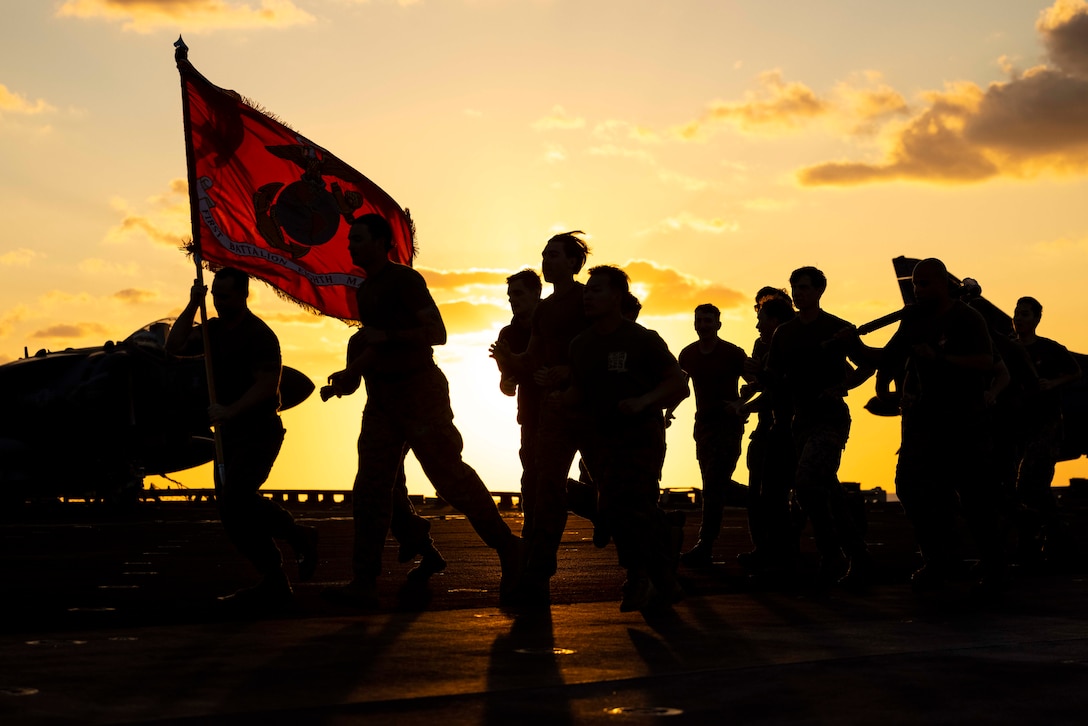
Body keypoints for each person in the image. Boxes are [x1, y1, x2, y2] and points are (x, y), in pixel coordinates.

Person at [322, 214, 521, 609]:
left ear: (381, 242)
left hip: (420, 392)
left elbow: (437, 333)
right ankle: (364, 580)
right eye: (350, 241)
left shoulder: (405, 281)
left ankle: (508, 549)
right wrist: (347, 378)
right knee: (370, 490)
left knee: (450, 479)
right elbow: (374, 344)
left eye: (358, 239)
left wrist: (388, 337)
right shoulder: (366, 290)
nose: (350, 247)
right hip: (382, 401)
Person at [165, 267, 318, 609]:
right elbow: (173, 346)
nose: (219, 302)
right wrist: (193, 304)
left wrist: (230, 411)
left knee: (238, 496)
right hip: (229, 435)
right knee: (232, 514)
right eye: (216, 296)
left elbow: (267, 385)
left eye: (226, 296)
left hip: (258, 430)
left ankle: (299, 535)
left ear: (243, 295)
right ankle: (275, 581)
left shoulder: (259, 335)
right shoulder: (212, 330)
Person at [850, 258, 1006, 591]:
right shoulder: (912, 320)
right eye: (915, 285)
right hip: (923, 424)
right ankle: (937, 560)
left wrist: (941, 359)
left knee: (975, 498)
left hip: (965, 422)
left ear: (942, 284)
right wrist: (853, 345)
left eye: (924, 284)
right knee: (909, 487)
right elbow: (887, 358)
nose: (917, 290)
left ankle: (994, 566)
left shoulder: (967, 318)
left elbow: (985, 362)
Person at [566, 265, 690, 611]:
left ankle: (641, 577)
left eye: (596, 290)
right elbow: (579, 391)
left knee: (625, 507)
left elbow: (677, 383)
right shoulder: (581, 345)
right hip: (599, 442)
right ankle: (665, 565)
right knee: (618, 509)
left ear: (617, 296)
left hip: (640, 437)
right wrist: (556, 397)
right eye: (587, 290)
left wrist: (643, 401)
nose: (588, 296)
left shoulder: (642, 339)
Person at [490, 231, 592, 606]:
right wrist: (508, 362)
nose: (547, 261)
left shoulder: (589, 298)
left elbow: (612, 338)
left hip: (594, 410)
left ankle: (655, 541)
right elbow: (531, 360)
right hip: (550, 416)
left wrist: (568, 370)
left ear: (573, 263)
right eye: (544, 255)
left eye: (554, 255)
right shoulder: (545, 312)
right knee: (544, 490)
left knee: (616, 493)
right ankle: (537, 573)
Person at [766, 266, 874, 585]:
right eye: (795, 288)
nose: (798, 293)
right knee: (827, 492)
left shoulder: (838, 328)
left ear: (819, 291)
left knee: (807, 483)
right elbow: (773, 375)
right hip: (801, 422)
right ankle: (857, 557)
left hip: (830, 419)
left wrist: (844, 385)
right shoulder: (783, 334)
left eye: (804, 288)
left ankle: (832, 554)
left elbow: (867, 363)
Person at [321, 328, 446, 580]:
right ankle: (423, 546)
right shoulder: (358, 341)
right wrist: (337, 387)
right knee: (390, 486)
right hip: (380, 423)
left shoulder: (399, 332)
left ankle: (415, 541)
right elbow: (352, 382)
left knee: (381, 487)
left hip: (410, 416)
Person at [677, 304, 749, 567]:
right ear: (695, 324)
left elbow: (756, 381)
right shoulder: (687, 355)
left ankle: (705, 545)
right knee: (714, 484)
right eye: (700, 320)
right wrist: (667, 412)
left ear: (718, 324)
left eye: (709, 320)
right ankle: (761, 501)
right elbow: (679, 386)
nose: (704, 325)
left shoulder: (733, 353)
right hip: (703, 426)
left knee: (714, 485)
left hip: (728, 426)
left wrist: (742, 403)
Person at [734, 294, 800, 575]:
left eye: (761, 318)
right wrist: (752, 387)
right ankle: (769, 549)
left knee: (790, 491)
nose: (757, 325)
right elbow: (768, 387)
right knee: (763, 493)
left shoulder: (795, 343)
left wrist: (748, 401)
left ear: (774, 319)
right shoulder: (763, 345)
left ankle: (786, 551)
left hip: (795, 426)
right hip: (770, 426)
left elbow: (783, 389)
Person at [1012, 296, 1082, 562]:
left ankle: (1051, 536)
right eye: (1017, 314)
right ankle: (1039, 538)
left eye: (1025, 314)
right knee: (1021, 487)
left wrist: (1052, 384)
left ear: (1036, 319)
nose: (1019, 319)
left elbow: (1075, 373)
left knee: (1033, 482)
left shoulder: (1050, 349)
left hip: (1046, 425)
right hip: (1017, 427)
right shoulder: (1007, 349)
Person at [490, 269, 544, 521]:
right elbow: (506, 379)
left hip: (568, 408)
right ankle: (532, 533)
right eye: (510, 295)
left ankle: (600, 512)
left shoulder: (556, 323)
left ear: (536, 293)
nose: (513, 300)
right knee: (533, 476)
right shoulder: (507, 335)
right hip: (531, 415)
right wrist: (507, 383)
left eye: (519, 294)